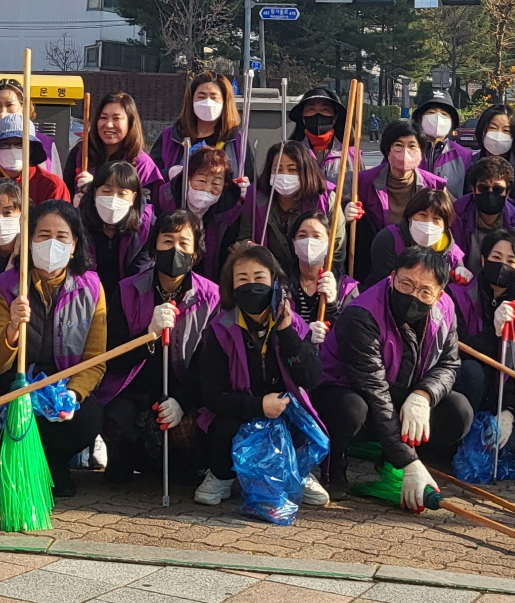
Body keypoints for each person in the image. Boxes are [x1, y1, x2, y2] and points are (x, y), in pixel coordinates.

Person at [314, 245, 472, 511]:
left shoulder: (445, 309)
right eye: (405, 284)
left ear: (439, 294)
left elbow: (449, 363)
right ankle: (334, 465)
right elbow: (374, 392)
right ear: (391, 277)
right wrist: (410, 463)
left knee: (458, 411)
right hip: (350, 392)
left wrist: (423, 395)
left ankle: (391, 463)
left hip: (404, 391)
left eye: (424, 291)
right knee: (350, 409)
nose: (413, 295)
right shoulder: (362, 315)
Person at [0, 199, 109, 496]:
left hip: (61, 385)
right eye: (43, 236)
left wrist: (72, 393)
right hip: (12, 384)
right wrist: (10, 330)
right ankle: (7, 465)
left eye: (62, 237)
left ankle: (52, 464)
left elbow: (95, 360)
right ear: (29, 241)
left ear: (74, 245)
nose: (52, 244)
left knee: (89, 418)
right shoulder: (6, 286)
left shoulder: (92, 288)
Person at [192, 241, 328, 507]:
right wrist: (259, 406)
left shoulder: (296, 325)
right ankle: (221, 475)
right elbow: (213, 395)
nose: (251, 285)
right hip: (240, 410)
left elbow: (311, 379)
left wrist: (287, 332)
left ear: (275, 282)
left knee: (301, 424)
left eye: (259, 278)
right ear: (231, 287)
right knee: (222, 428)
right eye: (242, 279)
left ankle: (299, 473)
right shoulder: (220, 330)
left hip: (285, 410)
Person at [95, 210, 218, 481]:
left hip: (184, 391)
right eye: (167, 241)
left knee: (186, 435)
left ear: (196, 254)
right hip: (135, 388)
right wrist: (148, 335)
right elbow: (114, 358)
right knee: (117, 423)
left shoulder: (211, 297)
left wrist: (181, 402)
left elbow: (208, 364)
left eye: (184, 243)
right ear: (154, 247)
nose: (175, 249)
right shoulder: (127, 290)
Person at [450, 228, 515, 453]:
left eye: (511, 260)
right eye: (496, 258)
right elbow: (457, 350)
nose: (502, 265)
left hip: (498, 397)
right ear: (484, 260)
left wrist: (509, 412)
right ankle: (457, 440)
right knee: (472, 370)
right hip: (462, 387)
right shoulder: (458, 296)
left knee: (506, 446)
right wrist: (493, 332)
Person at [355, 119, 448, 271]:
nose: (405, 152)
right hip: (376, 263)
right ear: (387, 150)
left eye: (412, 146)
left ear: (421, 151)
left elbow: (447, 229)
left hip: (421, 266)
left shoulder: (435, 186)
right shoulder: (363, 181)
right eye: (398, 145)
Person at [240, 140, 332, 274]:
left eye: (292, 169)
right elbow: (243, 238)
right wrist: (248, 247)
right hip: (270, 279)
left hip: (316, 278)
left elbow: (337, 249)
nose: (284, 175)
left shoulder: (325, 198)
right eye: (277, 169)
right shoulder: (255, 198)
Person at [0, 80, 63, 194]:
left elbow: (56, 184)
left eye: (9, 105)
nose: (3, 111)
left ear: (24, 107)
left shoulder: (45, 144)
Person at [155, 72, 245, 193]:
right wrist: (169, 174)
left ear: (225, 101)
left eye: (214, 97)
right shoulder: (170, 137)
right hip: (175, 209)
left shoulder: (236, 141)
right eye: (201, 97)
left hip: (224, 211)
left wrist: (246, 191)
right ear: (191, 100)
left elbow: (251, 181)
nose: (208, 102)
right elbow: (151, 178)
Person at [65, 92, 163, 196]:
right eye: (103, 117)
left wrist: (94, 188)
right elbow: (65, 197)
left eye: (116, 118)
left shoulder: (142, 164)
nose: (108, 124)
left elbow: (146, 208)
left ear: (130, 123)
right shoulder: (81, 152)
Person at [82, 160, 155, 299]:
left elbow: (143, 270)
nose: (113, 199)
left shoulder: (147, 226)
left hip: (130, 298)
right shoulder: (78, 221)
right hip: (87, 296)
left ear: (133, 197)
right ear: (94, 192)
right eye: (106, 191)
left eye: (122, 193)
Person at [364, 188, 462, 287]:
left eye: (436, 219)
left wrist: (461, 275)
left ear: (445, 225)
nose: (428, 223)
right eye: (423, 215)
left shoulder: (450, 251)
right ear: (410, 216)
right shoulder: (388, 239)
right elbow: (384, 283)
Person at [280, 214, 358, 333]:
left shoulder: (348, 288)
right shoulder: (281, 285)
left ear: (329, 242)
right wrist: (304, 333)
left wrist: (332, 305)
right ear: (293, 241)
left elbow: (353, 332)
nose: (309, 241)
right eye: (302, 236)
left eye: (317, 236)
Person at [174, 145, 244, 275]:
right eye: (201, 180)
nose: (206, 189)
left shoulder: (231, 213)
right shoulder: (165, 199)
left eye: (216, 184)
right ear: (188, 178)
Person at [0, 116, 68, 209]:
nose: (12, 149)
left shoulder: (52, 185)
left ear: (32, 149)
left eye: (19, 144)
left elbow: (59, 222)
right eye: (5, 144)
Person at [287, 86, 357, 185]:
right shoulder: (290, 153)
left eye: (325, 110)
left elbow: (361, 190)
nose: (318, 114)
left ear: (335, 117)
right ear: (302, 116)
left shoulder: (351, 155)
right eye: (311, 109)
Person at [453, 155, 515, 256]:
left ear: (507, 193)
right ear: (473, 189)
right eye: (483, 188)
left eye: (498, 189)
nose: (490, 193)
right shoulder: (455, 219)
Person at [415, 90, 473, 189]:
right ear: (420, 118)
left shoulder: (464, 156)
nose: (438, 118)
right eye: (431, 112)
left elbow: (469, 197)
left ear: (451, 121)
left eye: (444, 114)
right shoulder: (407, 150)